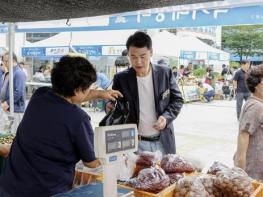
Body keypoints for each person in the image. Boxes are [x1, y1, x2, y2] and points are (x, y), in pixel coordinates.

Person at [0, 55, 122, 197]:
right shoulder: (78, 119)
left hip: (10, 185)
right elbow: (92, 162)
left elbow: (71, 96)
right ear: (78, 90)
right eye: (88, 88)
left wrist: (100, 94)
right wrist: (116, 152)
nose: (90, 91)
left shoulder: (39, 96)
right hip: (45, 191)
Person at [107, 31, 184, 155]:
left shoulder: (165, 73)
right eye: (133, 57)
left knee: (164, 173)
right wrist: (109, 105)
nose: (138, 62)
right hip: (135, 143)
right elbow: (115, 106)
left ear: (151, 52)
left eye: (143, 56)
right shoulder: (121, 79)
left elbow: (177, 100)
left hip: (163, 141)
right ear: (128, 55)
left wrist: (166, 117)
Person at [234, 64, 263, 181]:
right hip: (252, 171)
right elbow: (243, 136)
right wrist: (241, 172)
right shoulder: (256, 106)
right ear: (256, 85)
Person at [0, 52, 26, 132]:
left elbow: (18, 92)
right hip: (8, 108)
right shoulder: (10, 72)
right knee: (6, 132)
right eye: (3, 61)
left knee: (13, 133)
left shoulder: (18, 73)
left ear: (13, 60)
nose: (4, 63)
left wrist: (7, 103)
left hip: (15, 110)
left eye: (6, 61)